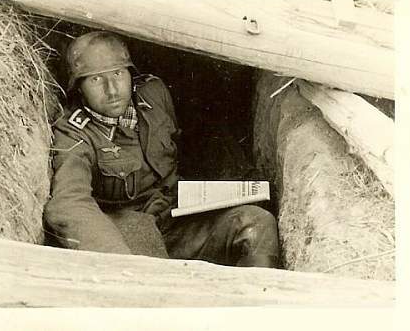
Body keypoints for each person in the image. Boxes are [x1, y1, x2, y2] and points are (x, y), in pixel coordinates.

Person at [44, 31, 279, 267]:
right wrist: (118, 258)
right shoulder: (74, 133)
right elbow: (69, 202)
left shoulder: (153, 94)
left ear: (130, 75)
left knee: (257, 224)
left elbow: (190, 142)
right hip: (128, 234)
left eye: (118, 74)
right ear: (80, 88)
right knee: (159, 278)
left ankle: (259, 297)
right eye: (96, 79)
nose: (112, 89)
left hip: (176, 219)